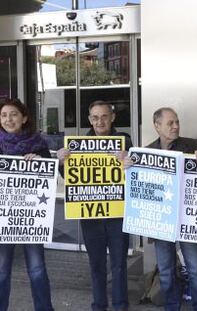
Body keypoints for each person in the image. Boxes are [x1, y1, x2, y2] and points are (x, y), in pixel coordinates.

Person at [57, 100, 131, 311]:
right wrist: (63, 162)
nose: (100, 121)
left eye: (104, 116)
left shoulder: (124, 141)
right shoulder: (78, 145)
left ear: (113, 117)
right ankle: (98, 306)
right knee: (96, 265)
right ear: (90, 120)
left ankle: (120, 306)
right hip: (91, 217)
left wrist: (130, 160)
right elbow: (72, 178)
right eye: (95, 117)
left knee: (118, 265)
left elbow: (137, 172)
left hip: (118, 215)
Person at [144, 107, 197, 311]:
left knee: (196, 268)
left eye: (177, 122)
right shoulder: (147, 151)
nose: (175, 126)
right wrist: (128, 165)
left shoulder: (193, 145)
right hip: (161, 220)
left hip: (187, 219)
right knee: (165, 270)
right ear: (157, 126)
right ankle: (172, 307)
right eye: (170, 123)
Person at [0, 98, 54, 311]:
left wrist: (39, 162)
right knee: (2, 270)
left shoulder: (39, 146)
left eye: (13, 114)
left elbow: (49, 178)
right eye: (4, 115)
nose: (8, 119)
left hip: (31, 221)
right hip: (3, 220)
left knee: (37, 269)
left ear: (24, 118)